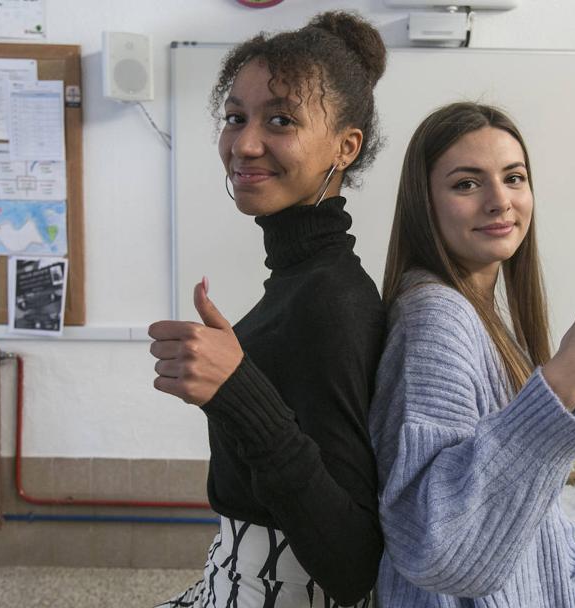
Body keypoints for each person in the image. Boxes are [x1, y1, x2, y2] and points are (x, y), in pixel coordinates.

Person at [148, 12, 387, 608]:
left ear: (346, 146)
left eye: (280, 120)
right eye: (235, 118)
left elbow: (352, 562)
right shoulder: (300, 280)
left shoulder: (330, 302)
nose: (245, 143)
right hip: (228, 581)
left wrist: (236, 388)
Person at [369, 102, 575, 608]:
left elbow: (541, 524)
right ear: (423, 205)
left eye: (514, 178)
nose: (500, 201)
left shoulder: (488, 320)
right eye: (467, 184)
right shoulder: (437, 317)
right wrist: (566, 381)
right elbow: (441, 549)